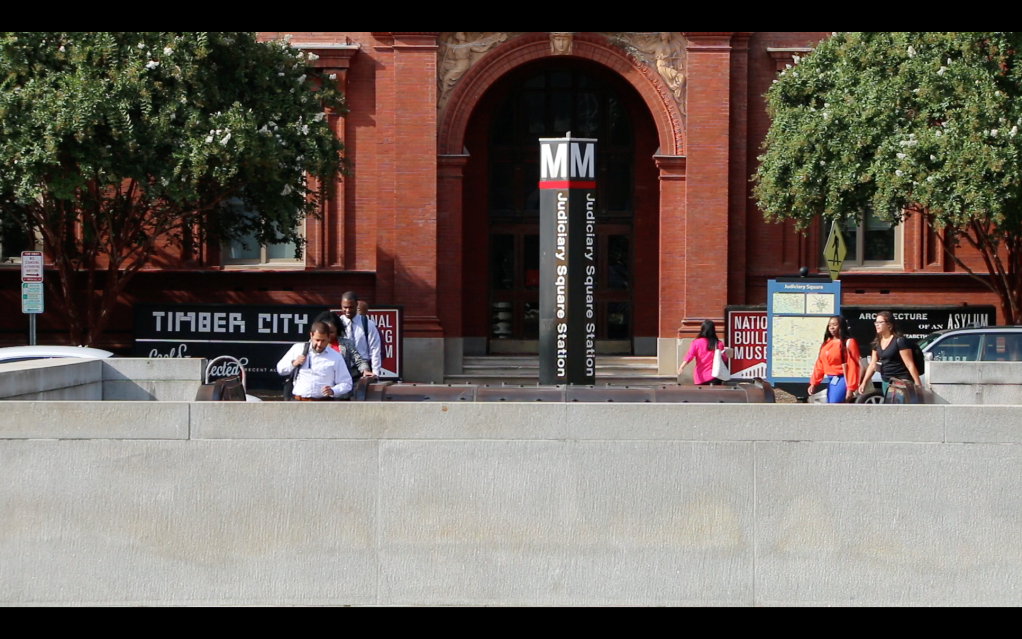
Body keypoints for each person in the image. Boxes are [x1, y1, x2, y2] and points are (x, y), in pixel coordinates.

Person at [276, 321, 352, 401]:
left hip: (323, 404)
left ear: (328, 337)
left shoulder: (336, 357)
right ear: (311, 335)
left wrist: (333, 391)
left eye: (323, 341)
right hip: (299, 402)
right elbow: (280, 369)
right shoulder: (298, 349)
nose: (319, 344)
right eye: (317, 340)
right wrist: (293, 363)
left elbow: (346, 383)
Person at [858, 310, 922, 397]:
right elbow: (872, 364)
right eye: (876, 322)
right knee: (890, 408)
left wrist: (918, 384)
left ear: (889, 325)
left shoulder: (899, 341)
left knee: (900, 408)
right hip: (886, 382)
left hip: (901, 382)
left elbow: (909, 364)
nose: (877, 325)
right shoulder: (877, 342)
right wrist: (864, 382)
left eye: (880, 322)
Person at [312, 310, 374, 386]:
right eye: (325, 332)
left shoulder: (346, 344)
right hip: (319, 389)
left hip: (341, 389)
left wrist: (365, 370)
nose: (328, 335)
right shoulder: (312, 345)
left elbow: (359, 360)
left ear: (337, 330)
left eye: (331, 332)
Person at [808, 316, 861, 403]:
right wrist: (814, 383)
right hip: (831, 379)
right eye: (829, 325)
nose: (831, 327)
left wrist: (850, 388)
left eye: (835, 325)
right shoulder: (826, 344)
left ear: (841, 326)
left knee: (833, 404)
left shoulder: (848, 343)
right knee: (832, 406)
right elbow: (820, 365)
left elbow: (853, 366)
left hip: (842, 378)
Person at [338, 291, 383, 377]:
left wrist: (376, 373)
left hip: (363, 371)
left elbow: (375, 350)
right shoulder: (337, 324)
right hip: (341, 369)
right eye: (345, 307)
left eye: (351, 307)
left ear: (356, 304)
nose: (347, 311)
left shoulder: (368, 324)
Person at [677, 320, 729, 386]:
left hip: (700, 376)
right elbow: (725, 359)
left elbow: (689, 355)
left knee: (701, 395)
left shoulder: (696, 342)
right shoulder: (719, 343)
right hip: (715, 375)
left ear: (702, 329)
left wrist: (681, 367)